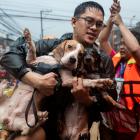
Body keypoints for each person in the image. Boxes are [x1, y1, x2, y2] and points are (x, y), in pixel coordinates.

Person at [0, 1, 117, 140]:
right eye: (89, 21)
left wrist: (87, 99)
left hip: (81, 128)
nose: (94, 27)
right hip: (45, 118)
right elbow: (9, 56)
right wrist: (35, 80)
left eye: (99, 24)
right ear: (74, 21)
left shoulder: (102, 59)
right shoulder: (49, 45)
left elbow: (111, 99)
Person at [99, 2, 140, 140]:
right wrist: (111, 18)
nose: (122, 47)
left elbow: (135, 50)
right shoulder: (115, 58)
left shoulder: (138, 63)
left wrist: (121, 24)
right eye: (121, 43)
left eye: (126, 44)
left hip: (130, 125)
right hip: (110, 121)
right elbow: (103, 40)